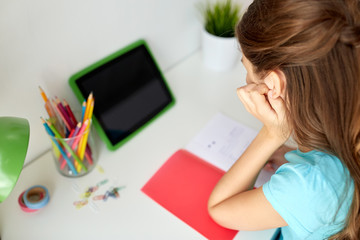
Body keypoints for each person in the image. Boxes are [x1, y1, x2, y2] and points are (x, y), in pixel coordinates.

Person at [207, 0, 360, 239]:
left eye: (245, 66)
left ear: (274, 85)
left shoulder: (312, 188)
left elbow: (220, 208)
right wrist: (293, 152)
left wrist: (273, 134)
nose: (246, 77)